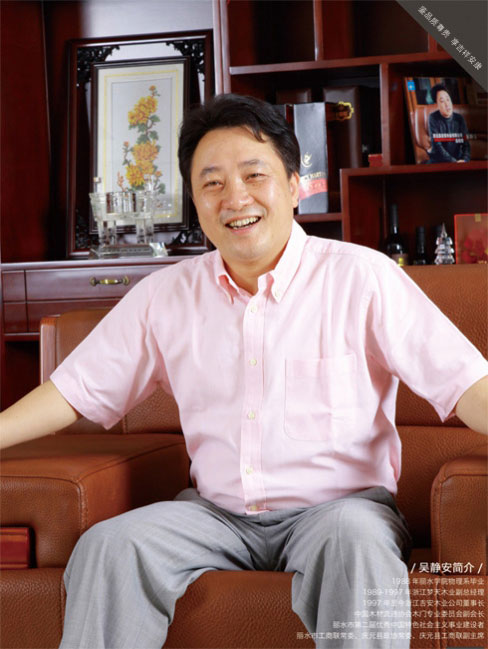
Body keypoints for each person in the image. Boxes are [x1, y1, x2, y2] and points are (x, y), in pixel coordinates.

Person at [1, 94, 487, 649]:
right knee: (111, 547)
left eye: (255, 175)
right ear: (195, 200)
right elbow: (74, 390)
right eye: (212, 183)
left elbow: (466, 383)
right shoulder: (165, 296)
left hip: (341, 512)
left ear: (294, 185)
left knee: (355, 541)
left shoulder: (363, 279)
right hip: (216, 517)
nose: (235, 198)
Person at [427, 83, 470, 163]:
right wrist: (454, 162)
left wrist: (464, 160)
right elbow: (437, 146)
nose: (447, 104)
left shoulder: (459, 119)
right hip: (439, 160)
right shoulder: (433, 118)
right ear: (436, 105)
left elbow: (466, 144)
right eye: (442, 101)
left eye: (448, 99)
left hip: (458, 160)